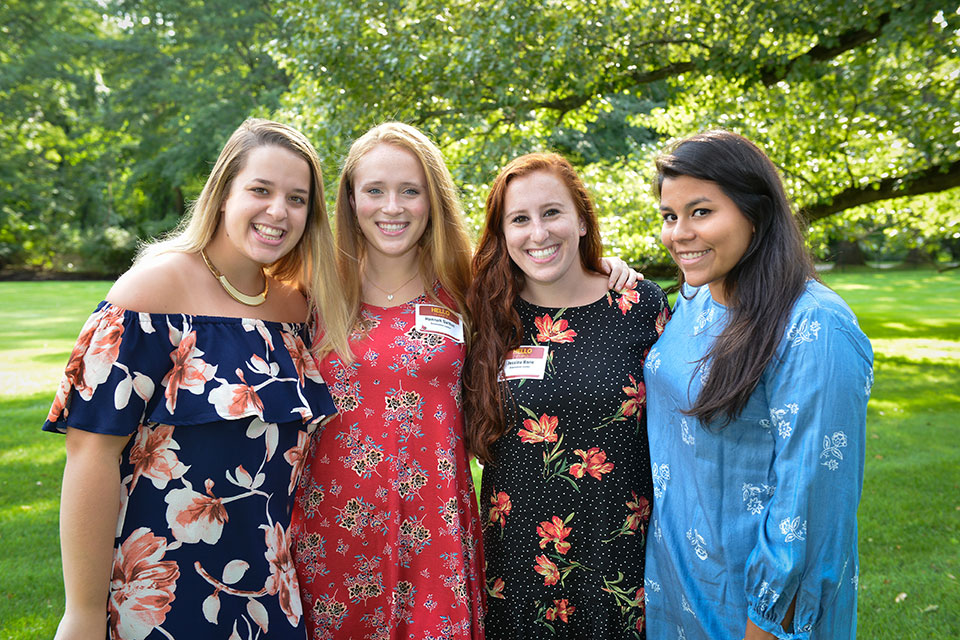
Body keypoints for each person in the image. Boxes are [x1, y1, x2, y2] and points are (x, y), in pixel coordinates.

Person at [44, 118, 351, 640]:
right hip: (156, 602)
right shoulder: (149, 294)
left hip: (269, 600)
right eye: (260, 189)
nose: (278, 211)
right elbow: (89, 457)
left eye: (297, 199)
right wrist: (82, 613)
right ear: (224, 193)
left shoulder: (296, 309)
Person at [644, 131, 873, 640]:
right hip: (677, 591)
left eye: (701, 212)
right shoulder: (694, 299)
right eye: (669, 216)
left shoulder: (814, 326)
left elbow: (812, 502)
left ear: (757, 213)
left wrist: (766, 622)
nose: (678, 233)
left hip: (756, 614)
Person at [463, 152, 669, 639]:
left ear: (581, 218)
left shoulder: (640, 306)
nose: (538, 233)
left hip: (617, 553)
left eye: (552, 212)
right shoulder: (484, 313)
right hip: (516, 560)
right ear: (503, 233)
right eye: (520, 219)